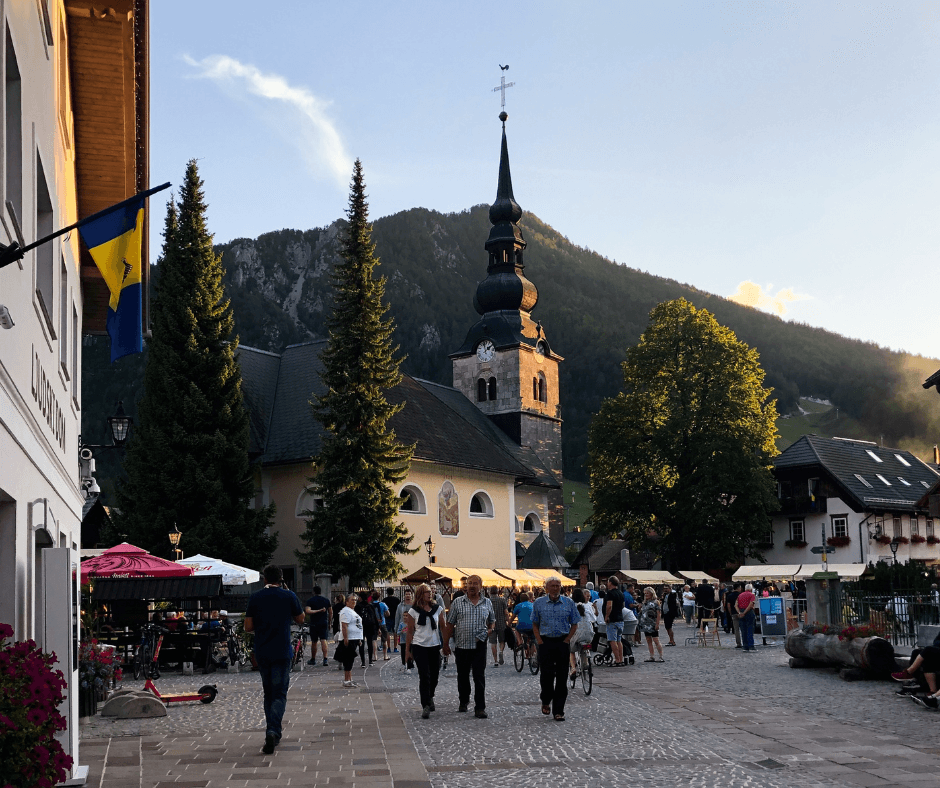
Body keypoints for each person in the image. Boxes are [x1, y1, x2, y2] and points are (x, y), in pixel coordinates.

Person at [244, 565, 305, 755]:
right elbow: (301, 619)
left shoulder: (256, 597)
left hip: (262, 650)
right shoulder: (289, 596)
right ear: (282, 579)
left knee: (268, 693)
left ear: (264, 579)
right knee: (280, 693)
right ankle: (273, 731)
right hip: (282, 650)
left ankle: (272, 730)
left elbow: (247, 626)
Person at [444, 574, 494, 718]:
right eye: (469, 583)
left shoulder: (487, 602)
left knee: (479, 676)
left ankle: (480, 707)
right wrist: (445, 643)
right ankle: (463, 701)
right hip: (462, 645)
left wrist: (489, 630)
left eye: (475, 583)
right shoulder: (458, 602)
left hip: (479, 645)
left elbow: (492, 621)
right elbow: (450, 623)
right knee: (463, 676)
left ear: (480, 586)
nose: (471, 586)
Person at [533, 578, 580, 722]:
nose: (555, 588)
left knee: (561, 676)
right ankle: (546, 699)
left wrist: (567, 639)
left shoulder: (568, 603)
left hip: (562, 641)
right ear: (546, 588)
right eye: (552, 586)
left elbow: (575, 623)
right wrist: (539, 641)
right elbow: (535, 623)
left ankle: (559, 710)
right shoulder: (539, 603)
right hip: (545, 642)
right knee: (546, 675)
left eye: (558, 586)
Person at [405, 583, 447, 719]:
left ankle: (430, 696)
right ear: (420, 594)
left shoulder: (437, 609)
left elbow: (443, 627)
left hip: (434, 646)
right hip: (419, 646)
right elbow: (410, 632)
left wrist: (445, 644)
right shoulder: (413, 611)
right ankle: (426, 705)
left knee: (434, 675)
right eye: (426, 592)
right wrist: (407, 650)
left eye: (430, 592)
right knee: (425, 676)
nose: (430, 594)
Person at [568, 588, 596, 680]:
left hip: (577, 633)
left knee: (571, 650)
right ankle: (586, 663)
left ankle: (573, 668)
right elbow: (594, 619)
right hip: (589, 634)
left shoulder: (571, 607)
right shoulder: (588, 606)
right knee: (585, 646)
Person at [338, 593, 364, 689]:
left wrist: (359, 639)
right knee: (348, 660)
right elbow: (344, 625)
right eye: (352, 600)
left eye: (355, 600)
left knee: (351, 660)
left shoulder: (352, 611)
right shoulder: (345, 611)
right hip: (350, 638)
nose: (354, 602)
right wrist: (346, 638)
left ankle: (349, 679)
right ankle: (346, 680)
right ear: (347, 601)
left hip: (355, 638)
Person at [304, 585, 332, 666]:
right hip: (324, 622)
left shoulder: (310, 601)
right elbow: (331, 612)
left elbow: (308, 611)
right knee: (324, 640)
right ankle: (325, 658)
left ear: (313, 592)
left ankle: (313, 659)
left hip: (314, 623)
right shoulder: (326, 600)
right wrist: (330, 622)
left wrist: (317, 611)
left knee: (314, 641)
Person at [638, 587, 664, 662]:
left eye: (647, 593)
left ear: (652, 593)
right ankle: (651, 656)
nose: (646, 595)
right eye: (645, 593)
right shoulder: (645, 602)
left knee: (656, 640)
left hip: (652, 623)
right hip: (645, 624)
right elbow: (643, 612)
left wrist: (657, 623)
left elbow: (659, 614)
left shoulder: (656, 602)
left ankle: (660, 656)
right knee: (648, 640)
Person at [604, 577, 625, 666]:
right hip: (620, 619)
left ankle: (617, 660)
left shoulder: (610, 593)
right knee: (619, 640)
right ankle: (621, 658)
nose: (607, 584)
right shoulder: (620, 593)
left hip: (612, 620)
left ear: (611, 583)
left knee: (612, 640)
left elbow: (609, 606)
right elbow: (623, 605)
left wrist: (606, 616)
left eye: (608, 582)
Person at [394, 589, 415, 671]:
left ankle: (411, 662)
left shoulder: (414, 605)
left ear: (411, 595)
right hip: (403, 627)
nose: (408, 596)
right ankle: (405, 663)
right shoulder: (400, 606)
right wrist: (396, 629)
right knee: (404, 648)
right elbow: (397, 617)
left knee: (412, 648)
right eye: (406, 594)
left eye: (409, 594)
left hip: (412, 626)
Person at [511, 590, 535, 659]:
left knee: (516, 630)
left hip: (521, 626)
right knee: (532, 640)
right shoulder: (533, 605)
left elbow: (512, 617)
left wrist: (508, 624)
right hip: (532, 626)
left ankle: (520, 642)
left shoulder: (518, 606)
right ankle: (531, 656)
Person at [488, 586, 509, 666]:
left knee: (493, 643)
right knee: (502, 640)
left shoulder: (487, 601)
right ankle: (501, 651)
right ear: (498, 592)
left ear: (490, 592)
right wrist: (508, 621)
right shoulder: (502, 600)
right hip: (501, 623)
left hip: (491, 624)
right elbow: (506, 612)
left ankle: (496, 660)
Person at [735, 582, 757, 652]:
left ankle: (745, 646)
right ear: (750, 589)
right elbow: (751, 605)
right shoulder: (752, 595)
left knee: (743, 630)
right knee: (750, 629)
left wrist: (740, 612)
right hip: (749, 613)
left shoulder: (740, 595)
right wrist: (745, 612)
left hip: (741, 611)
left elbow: (736, 605)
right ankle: (751, 646)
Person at [725, 583, 742, 648]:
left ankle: (738, 643)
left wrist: (730, 612)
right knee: (743, 628)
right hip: (741, 613)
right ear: (738, 588)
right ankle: (745, 642)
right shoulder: (740, 595)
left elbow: (728, 605)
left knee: (736, 629)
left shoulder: (729, 595)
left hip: (734, 613)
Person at [385, 588, 401, 652]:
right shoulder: (397, 600)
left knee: (387, 633)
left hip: (387, 618)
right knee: (395, 634)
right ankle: (395, 648)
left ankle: (388, 648)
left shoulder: (384, 600)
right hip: (395, 617)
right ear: (393, 592)